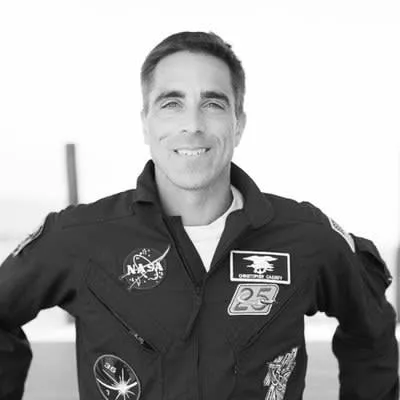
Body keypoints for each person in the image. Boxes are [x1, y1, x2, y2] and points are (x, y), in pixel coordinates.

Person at [0, 31, 398, 400]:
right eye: (171, 104)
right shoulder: (78, 237)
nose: (192, 125)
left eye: (213, 104)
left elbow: (372, 330)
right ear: (146, 123)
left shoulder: (307, 238)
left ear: (238, 124)